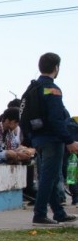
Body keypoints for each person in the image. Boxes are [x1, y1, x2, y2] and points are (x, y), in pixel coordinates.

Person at [28, 52, 78, 225]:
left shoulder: (33, 87)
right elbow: (57, 119)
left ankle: (59, 212)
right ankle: (40, 214)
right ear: (56, 68)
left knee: (50, 177)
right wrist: (69, 140)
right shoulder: (52, 89)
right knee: (48, 178)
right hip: (52, 139)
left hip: (38, 139)